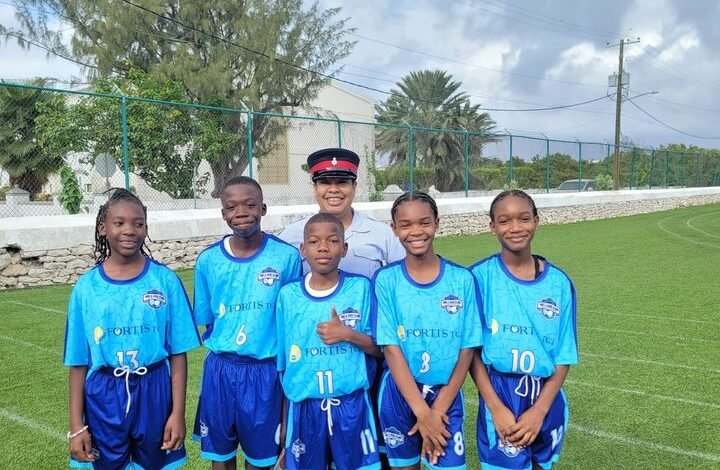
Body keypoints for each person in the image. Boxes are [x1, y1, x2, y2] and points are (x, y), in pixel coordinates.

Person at [63, 188, 200, 470]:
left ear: (146, 229)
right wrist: (77, 427)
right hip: (104, 393)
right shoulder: (86, 287)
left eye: (138, 223)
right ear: (103, 228)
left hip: (155, 389)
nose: (130, 230)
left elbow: (177, 354)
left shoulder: (165, 281)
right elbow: (77, 361)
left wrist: (177, 413)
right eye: (119, 223)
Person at [192, 177, 302, 470]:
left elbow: (293, 316)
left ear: (263, 209)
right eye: (232, 206)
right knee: (220, 457)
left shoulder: (287, 257)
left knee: (261, 459)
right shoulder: (208, 261)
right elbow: (207, 320)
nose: (241, 211)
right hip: (221, 372)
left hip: (265, 372)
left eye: (250, 204)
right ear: (223, 213)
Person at [469, 190, 578, 470]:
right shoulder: (479, 278)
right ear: (492, 226)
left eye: (524, 218)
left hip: (546, 397)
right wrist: (495, 407)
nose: (515, 228)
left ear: (537, 221)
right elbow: (471, 352)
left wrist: (540, 410)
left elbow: (564, 355)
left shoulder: (559, 283)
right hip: (501, 395)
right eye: (504, 221)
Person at [373, 191, 482, 470]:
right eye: (406, 225)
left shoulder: (462, 279)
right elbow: (391, 348)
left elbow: (467, 348)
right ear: (394, 228)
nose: (416, 231)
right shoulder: (386, 280)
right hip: (400, 394)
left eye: (424, 222)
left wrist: (436, 411)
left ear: (436, 223)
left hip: (445, 394)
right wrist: (421, 411)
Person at [275, 212, 382, 470]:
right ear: (302, 249)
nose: (323, 247)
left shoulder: (361, 288)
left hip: (351, 405)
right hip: (304, 408)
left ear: (344, 248)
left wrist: (348, 334)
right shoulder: (288, 296)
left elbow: (381, 350)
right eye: (314, 241)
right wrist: (285, 423)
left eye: (333, 240)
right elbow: (283, 366)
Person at [278, 147, 405, 278]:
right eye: (325, 183)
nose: (333, 189)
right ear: (315, 188)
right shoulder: (291, 236)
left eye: (342, 183)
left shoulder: (383, 234)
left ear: (354, 187)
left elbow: (402, 280)